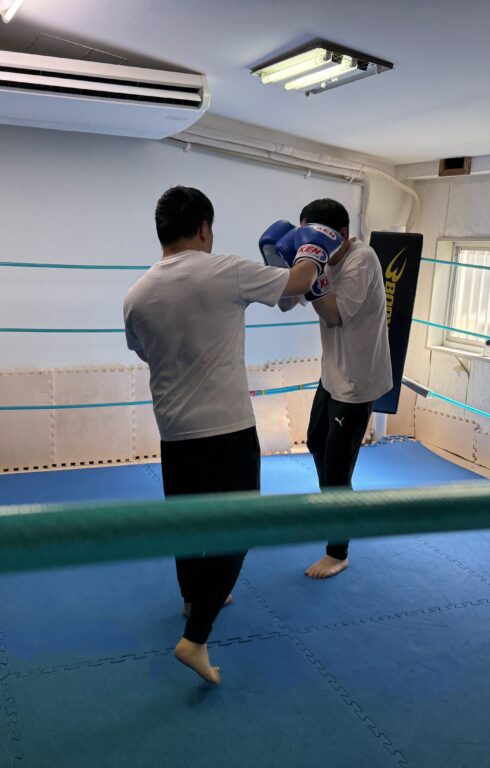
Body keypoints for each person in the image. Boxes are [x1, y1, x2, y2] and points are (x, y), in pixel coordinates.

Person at [123, 186, 345, 684]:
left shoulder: (135, 296)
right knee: (242, 526)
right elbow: (298, 283)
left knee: (186, 523)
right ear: (204, 228)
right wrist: (311, 246)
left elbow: (142, 351)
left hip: (174, 432)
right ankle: (196, 637)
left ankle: (192, 599)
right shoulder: (225, 270)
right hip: (227, 429)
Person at [280, 198, 392, 579]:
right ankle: (335, 507)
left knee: (337, 468)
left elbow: (333, 315)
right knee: (315, 442)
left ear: (341, 234)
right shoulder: (323, 256)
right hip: (332, 376)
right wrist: (284, 266)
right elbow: (287, 303)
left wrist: (312, 271)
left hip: (357, 383)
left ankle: (337, 551)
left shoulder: (363, 259)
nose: (314, 245)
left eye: (318, 238)